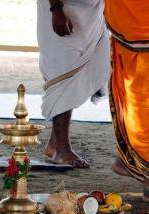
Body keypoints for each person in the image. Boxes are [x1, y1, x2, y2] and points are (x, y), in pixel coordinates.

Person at [37, 0, 110, 167]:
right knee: (63, 74)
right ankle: (62, 149)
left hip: (91, 14)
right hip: (62, 9)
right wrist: (56, 9)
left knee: (84, 69)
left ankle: (54, 144)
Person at [105, 0, 149, 197]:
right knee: (140, 105)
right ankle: (143, 170)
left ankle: (131, 162)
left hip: (132, 22)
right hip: (134, 24)